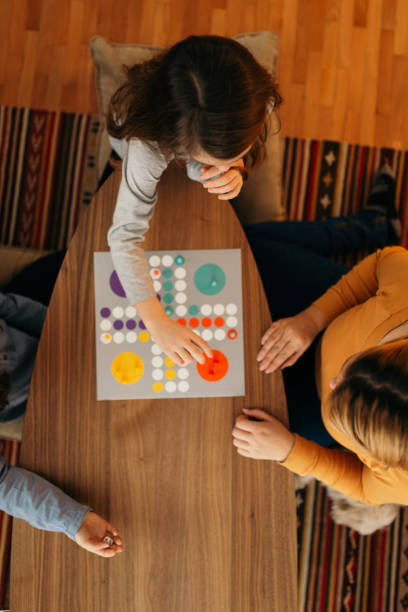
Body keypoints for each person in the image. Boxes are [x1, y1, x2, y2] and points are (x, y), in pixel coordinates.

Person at [232, 167, 408, 507]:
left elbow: (362, 485)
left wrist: (290, 450)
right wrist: (312, 320)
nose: (333, 382)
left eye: (340, 396)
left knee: (233, 422)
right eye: (352, 365)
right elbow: (384, 262)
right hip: (325, 312)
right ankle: (371, 227)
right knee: (241, 245)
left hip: (307, 407)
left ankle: (373, 224)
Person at [106, 34, 282, 367]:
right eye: (212, 158)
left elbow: (229, 155)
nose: (224, 164)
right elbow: (123, 237)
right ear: (178, 143)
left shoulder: (257, 104)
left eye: (235, 153)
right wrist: (157, 322)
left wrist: (238, 170)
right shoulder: (147, 149)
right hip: (131, 152)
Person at [0, 253, 123, 557]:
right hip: (37, 395)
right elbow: (3, 484)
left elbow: (11, 309)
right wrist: (74, 521)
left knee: (106, 264)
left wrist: (65, 334)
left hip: (40, 324)